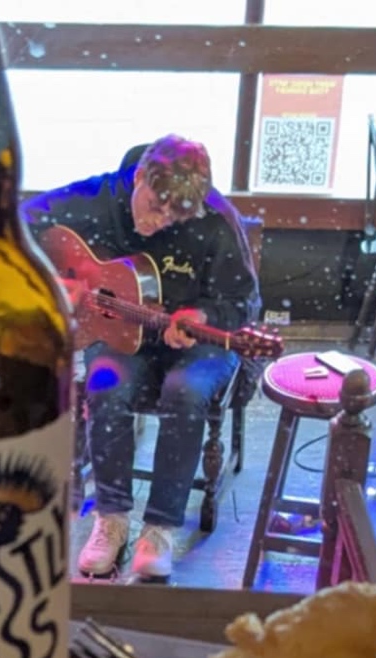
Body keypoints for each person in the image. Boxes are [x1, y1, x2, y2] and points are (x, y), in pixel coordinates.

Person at [23, 136, 259, 584]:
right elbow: (22, 220)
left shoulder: (214, 219)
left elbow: (245, 301)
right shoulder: (97, 198)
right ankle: (111, 518)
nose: (158, 221)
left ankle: (160, 528)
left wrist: (202, 315)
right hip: (119, 331)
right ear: (138, 179)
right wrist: (55, 282)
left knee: (184, 391)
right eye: (153, 206)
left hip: (199, 341)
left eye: (172, 216)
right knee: (106, 383)